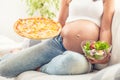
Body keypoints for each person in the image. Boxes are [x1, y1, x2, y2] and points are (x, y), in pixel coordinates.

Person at [0, 0, 114, 78]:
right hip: (57, 44)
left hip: (83, 55)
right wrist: (40, 29)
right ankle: (14, 55)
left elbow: (105, 29)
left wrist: (103, 54)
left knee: (74, 62)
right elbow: (60, 23)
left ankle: (40, 67)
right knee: (3, 68)